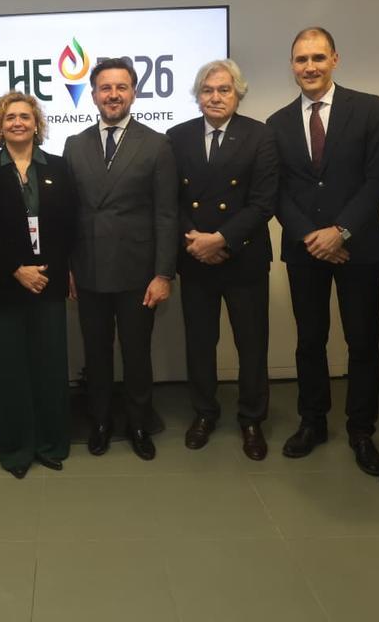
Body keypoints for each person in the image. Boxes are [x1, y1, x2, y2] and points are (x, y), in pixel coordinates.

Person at [266, 27, 379, 477]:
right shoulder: (277, 123)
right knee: (309, 341)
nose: (310, 67)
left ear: (335, 59)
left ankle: (362, 430)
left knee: (362, 342)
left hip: (359, 248)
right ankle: (312, 422)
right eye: (301, 59)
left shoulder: (370, 108)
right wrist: (313, 238)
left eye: (318, 57)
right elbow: (277, 192)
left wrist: (340, 232)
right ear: (292, 65)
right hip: (305, 251)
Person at [63, 57, 178, 460]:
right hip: (89, 271)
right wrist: (69, 268)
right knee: (95, 354)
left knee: (136, 353)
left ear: (134, 92)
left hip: (137, 273)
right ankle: (99, 422)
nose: (113, 95)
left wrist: (164, 273)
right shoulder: (74, 145)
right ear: (92, 94)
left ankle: (139, 424)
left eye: (121, 87)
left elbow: (166, 214)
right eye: (105, 88)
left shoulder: (157, 143)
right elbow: (69, 213)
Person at [167, 59, 278, 459]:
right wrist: (196, 242)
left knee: (252, 344)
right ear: (198, 96)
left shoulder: (261, 136)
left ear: (238, 94)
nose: (216, 97)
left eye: (224, 90)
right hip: (195, 256)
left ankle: (251, 418)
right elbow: (170, 201)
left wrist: (222, 239)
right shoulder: (176, 136)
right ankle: (204, 413)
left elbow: (263, 202)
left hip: (243, 258)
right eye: (208, 90)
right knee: (200, 342)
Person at [0, 92, 76, 478]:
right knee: (8, 369)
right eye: (10, 117)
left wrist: (57, 270)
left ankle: (50, 444)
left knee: (49, 367)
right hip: (0, 285)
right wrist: (16, 269)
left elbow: (69, 224)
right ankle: (15, 449)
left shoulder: (59, 168)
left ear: (37, 124)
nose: (18, 122)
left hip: (47, 283)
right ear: (0, 125)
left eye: (25, 117)